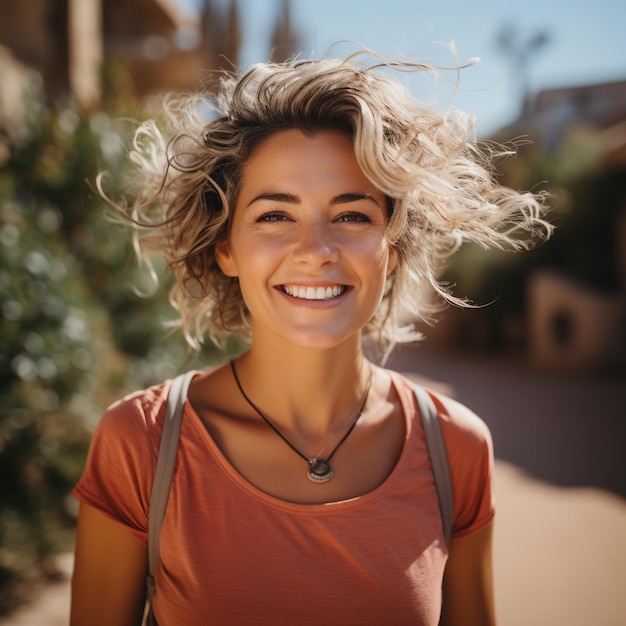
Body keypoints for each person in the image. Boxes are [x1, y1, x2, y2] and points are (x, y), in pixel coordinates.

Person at [70, 50, 551, 626]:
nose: (316, 251)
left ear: (390, 249)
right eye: (275, 215)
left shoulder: (457, 450)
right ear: (226, 249)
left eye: (351, 216)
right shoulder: (142, 445)